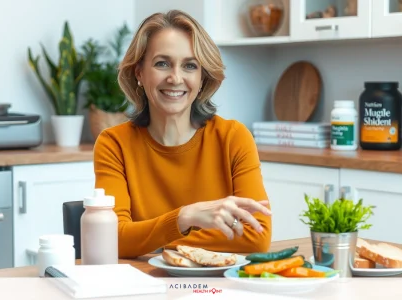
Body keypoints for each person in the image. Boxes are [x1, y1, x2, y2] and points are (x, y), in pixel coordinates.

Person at [93, 10, 272, 258]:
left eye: (189, 65)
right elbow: (113, 238)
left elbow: (257, 235)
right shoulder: (114, 144)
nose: (175, 78)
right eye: (162, 63)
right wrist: (184, 217)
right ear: (139, 73)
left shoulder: (233, 137)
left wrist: (151, 238)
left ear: (201, 79)